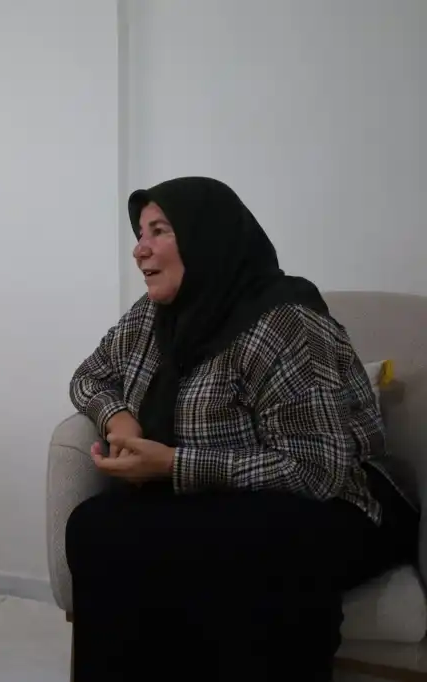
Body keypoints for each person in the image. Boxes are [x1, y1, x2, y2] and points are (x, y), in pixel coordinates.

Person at [65, 176, 417, 682]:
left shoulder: (285, 323)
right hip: (211, 497)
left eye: (159, 230)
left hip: (331, 502)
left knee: (238, 557)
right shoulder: (151, 316)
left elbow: (318, 470)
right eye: (139, 233)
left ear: (206, 237)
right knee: (94, 528)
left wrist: (173, 464)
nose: (140, 249)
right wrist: (120, 419)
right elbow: (88, 377)